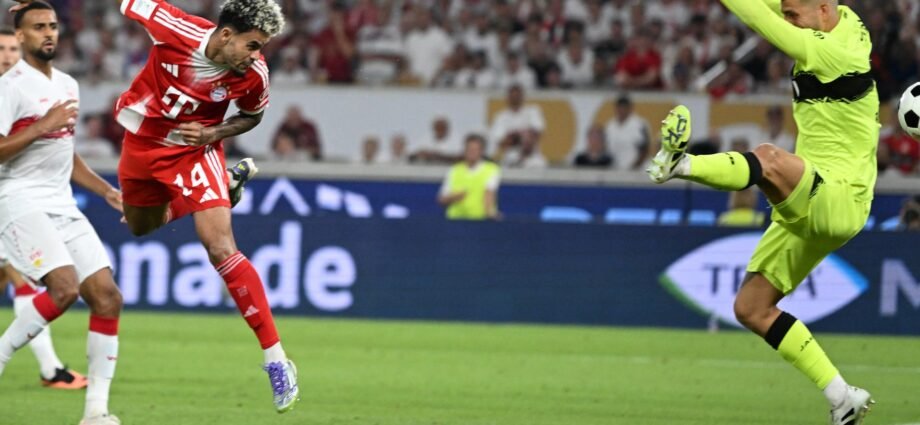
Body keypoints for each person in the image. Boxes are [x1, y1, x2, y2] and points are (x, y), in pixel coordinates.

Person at [647, 1, 877, 423]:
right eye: (787, 13)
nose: (789, 20)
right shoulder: (831, 18)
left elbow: (761, 19)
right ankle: (842, 396)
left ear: (824, 10)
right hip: (813, 194)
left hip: (840, 196)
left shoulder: (831, 50)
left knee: (769, 159)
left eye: (796, 15)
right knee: (751, 308)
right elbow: (772, 4)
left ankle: (680, 165)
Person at [67, 0, 297, 413]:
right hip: (142, 145)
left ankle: (277, 359)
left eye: (261, 47)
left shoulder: (254, 75)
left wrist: (213, 132)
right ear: (226, 35)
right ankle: (222, 190)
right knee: (138, 226)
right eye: (252, 45)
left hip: (195, 152)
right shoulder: (174, 27)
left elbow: (251, 117)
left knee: (220, 246)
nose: (257, 56)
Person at [0, 2, 126, 424]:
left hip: (60, 202)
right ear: (19, 36)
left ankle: (96, 413)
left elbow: (65, 154)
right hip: (18, 199)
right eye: (38, 27)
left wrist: (107, 190)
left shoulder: (69, 85)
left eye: (53, 26)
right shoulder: (9, 87)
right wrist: (39, 125)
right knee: (64, 289)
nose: (48, 33)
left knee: (107, 297)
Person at [0, 24, 87, 390]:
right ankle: (50, 369)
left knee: (19, 279)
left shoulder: (23, 92)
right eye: (0, 50)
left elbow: (63, 153)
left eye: (11, 50)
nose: (7, 56)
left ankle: (51, 368)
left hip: (14, 201)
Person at [438, 134, 500, 220]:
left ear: (482, 151)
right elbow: (442, 199)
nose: (472, 152)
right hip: (455, 220)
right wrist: (453, 197)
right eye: (469, 149)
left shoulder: (491, 169)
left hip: (479, 221)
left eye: (475, 150)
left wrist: (490, 213)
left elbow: (489, 194)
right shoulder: (454, 170)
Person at [490, 84, 547, 168]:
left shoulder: (533, 111)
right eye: (512, 96)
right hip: (510, 158)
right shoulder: (501, 116)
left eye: (517, 96)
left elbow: (537, 133)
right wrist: (521, 136)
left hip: (533, 157)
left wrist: (514, 137)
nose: (515, 98)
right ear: (508, 97)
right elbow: (501, 142)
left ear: (522, 97)